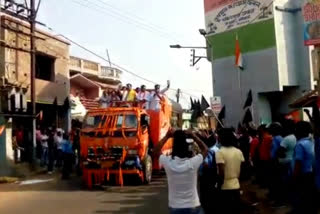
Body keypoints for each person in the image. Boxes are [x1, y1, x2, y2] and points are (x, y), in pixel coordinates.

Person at [155, 129, 208, 214]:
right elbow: (205, 149)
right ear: (186, 146)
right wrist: (194, 136)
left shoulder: (168, 163)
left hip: (175, 207)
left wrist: (167, 136)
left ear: (174, 146)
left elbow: (156, 151)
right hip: (193, 205)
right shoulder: (193, 162)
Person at [215, 128, 244, 214]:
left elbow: (221, 172)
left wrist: (218, 186)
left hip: (225, 187)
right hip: (236, 185)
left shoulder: (220, 152)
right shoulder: (238, 151)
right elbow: (241, 169)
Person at [292, 121, 316, 214]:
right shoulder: (311, 141)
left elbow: (298, 162)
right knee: (310, 196)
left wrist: (294, 176)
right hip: (312, 172)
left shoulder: (300, 144)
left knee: (302, 195)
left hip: (303, 174)